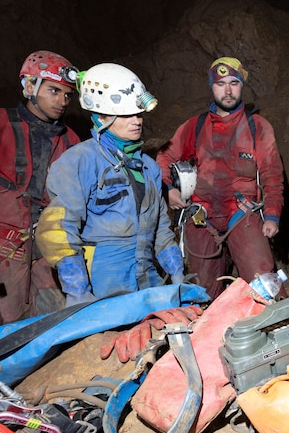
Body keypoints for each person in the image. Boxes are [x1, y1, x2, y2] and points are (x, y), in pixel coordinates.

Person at [35, 63, 184, 305]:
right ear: (101, 116)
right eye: (127, 114)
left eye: (139, 113)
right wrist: (76, 290)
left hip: (146, 278)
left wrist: (177, 272)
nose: (137, 121)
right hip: (102, 284)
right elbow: (59, 230)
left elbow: (160, 229)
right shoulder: (78, 162)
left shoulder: (149, 167)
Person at [0, 51, 80, 324]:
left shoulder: (70, 139)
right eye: (54, 90)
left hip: (48, 253)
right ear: (30, 86)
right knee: (4, 332)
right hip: (0, 254)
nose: (62, 101)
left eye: (67, 95)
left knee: (52, 328)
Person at [157, 57, 285, 300]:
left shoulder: (257, 126)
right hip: (201, 216)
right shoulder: (196, 126)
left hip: (241, 213)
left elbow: (272, 173)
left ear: (242, 86)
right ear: (211, 87)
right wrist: (168, 188)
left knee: (266, 286)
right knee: (203, 294)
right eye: (220, 84)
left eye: (234, 83)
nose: (227, 90)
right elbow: (165, 156)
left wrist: (272, 215)